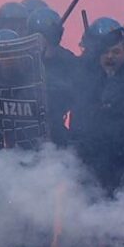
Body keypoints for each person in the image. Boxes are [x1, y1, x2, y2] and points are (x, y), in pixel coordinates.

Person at [69, 18, 124, 194]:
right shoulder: (85, 78)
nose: (110, 57)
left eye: (116, 52)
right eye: (105, 52)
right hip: (92, 154)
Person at [27, 8, 78, 146]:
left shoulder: (69, 60)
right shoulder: (23, 60)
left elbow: (80, 93)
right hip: (25, 131)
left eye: (51, 36)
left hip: (56, 130)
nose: (47, 41)